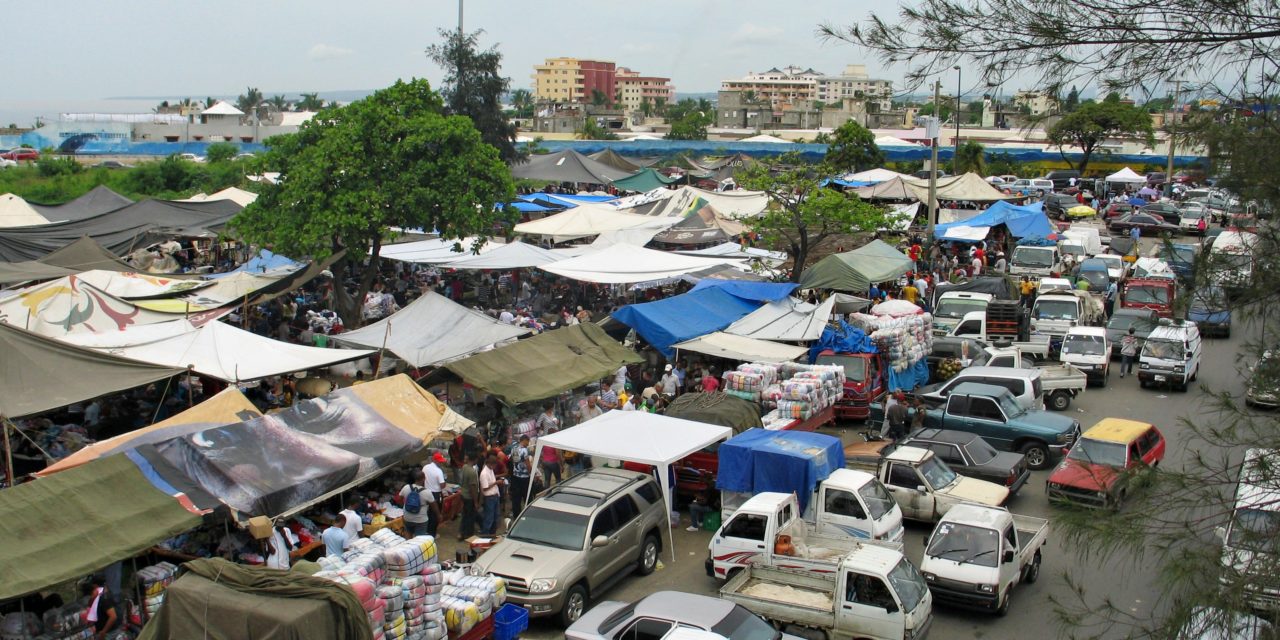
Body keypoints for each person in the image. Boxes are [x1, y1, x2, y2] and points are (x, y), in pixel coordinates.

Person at [399, 471, 439, 537]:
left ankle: (408, 545)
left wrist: (405, 505)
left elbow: (399, 499)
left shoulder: (406, 487)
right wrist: (438, 515)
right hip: (421, 519)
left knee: (408, 533)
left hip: (407, 517)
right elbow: (434, 506)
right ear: (424, 478)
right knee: (419, 539)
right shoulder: (427, 492)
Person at [84, 575, 118, 640]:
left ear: (95, 586)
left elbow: (113, 617)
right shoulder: (102, 594)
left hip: (109, 632)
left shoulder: (104, 598)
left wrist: (103, 632)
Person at [423, 452, 447, 536]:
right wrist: (445, 482)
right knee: (435, 514)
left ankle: (426, 530)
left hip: (426, 492)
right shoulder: (438, 471)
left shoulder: (425, 467)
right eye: (440, 462)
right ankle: (432, 533)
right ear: (435, 460)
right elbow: (442, 485)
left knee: (428, 512)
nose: (441, 463)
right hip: (435, 494)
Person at [458, 452, 480, 541]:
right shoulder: (472, 472)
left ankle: (461, 533)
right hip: (469, 497)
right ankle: (468, 534)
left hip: (463, 494)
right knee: (470, 517)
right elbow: (473, 488)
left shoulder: (464, 467)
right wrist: (476, 501)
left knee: (464, 515)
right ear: (474, 459)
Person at [480, 453, 503, 535]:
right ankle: (485, 534)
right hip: (489, 498)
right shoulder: (484, 473)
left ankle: (492, 534)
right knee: (489, 518)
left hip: (495, 495)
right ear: (490, 464)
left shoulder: (490, 470)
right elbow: (485, 488)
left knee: (496, 517)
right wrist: (496, 483)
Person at [509, 434, 532, 517]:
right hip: (524, 477)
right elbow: (527, 464)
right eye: (528, 441)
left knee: (516, 498)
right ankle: (527, 514)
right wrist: (531, 473)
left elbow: (513, 460)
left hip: (515, 475)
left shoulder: (513, 448)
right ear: (524, 440)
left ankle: (516, 515)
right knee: (527, 496)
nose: (528, 444)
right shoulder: (524, 450)